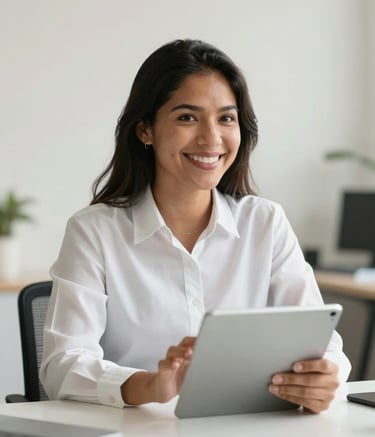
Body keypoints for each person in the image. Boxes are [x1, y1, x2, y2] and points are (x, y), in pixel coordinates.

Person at [40, 39, 351, 414]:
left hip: (248, 426)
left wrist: (324, 376)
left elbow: (321, 341)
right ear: (145, 130)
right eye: (187, 117)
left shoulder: (265, 222)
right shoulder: (94, 232)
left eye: (226, 118)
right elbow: (62, 365)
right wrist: (150, 384)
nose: (211, 138)